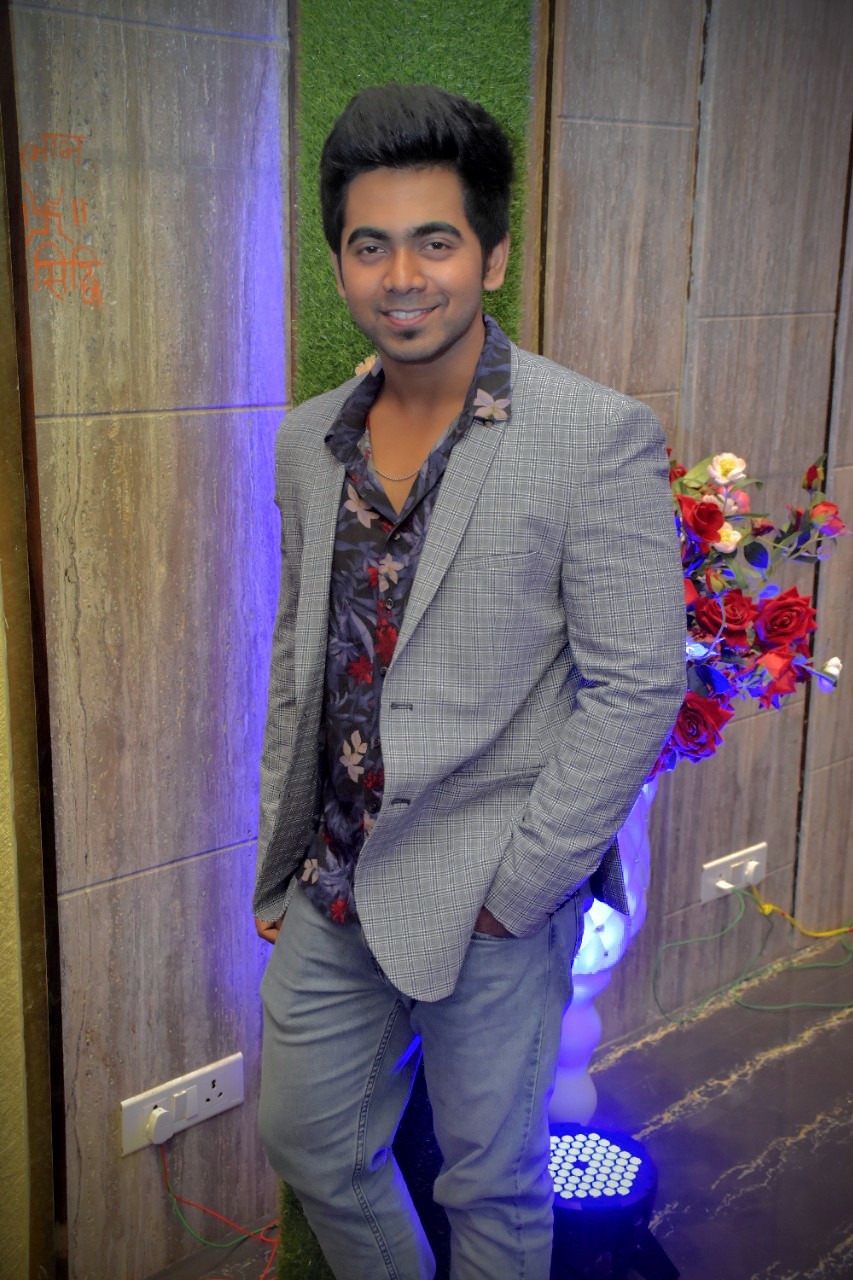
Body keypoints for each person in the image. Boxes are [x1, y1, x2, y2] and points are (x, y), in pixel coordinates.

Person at [253, 83, 686, 1280]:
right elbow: (300, 657)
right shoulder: (306, 442)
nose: (402, 276)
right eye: (370, 245)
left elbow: (638, 683)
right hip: (334, 879)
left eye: (434, 242)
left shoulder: (592, 433)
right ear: (340, 263)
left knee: (490, 1182)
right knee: (308, 1137)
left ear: (490, 256)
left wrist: (522, 887)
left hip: (494, 889)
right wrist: (280, 853)